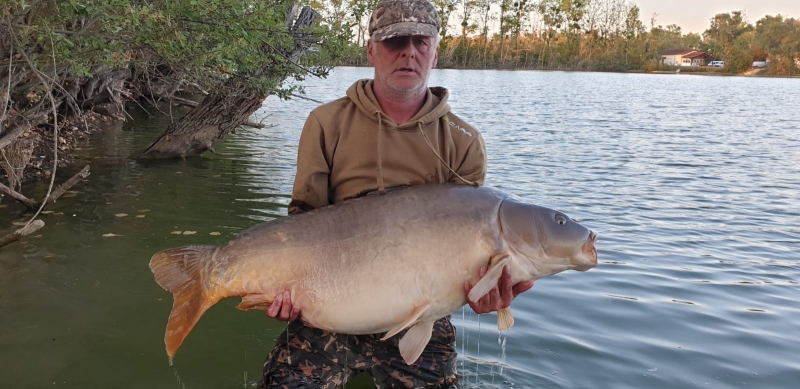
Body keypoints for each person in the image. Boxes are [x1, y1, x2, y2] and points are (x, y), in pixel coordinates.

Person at [257, 0, 533, 387]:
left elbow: (474, 255)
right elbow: (304, 220)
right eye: (394, 41)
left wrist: (487, 291)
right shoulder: (326, 123)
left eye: (421, 41)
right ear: (371, 49)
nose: (409, 52)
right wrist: (287, 288)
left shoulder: (463, 141)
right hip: (334, 301)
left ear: (435, 51)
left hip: (422, 313)